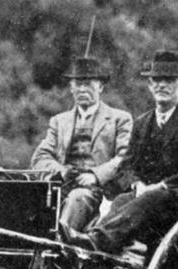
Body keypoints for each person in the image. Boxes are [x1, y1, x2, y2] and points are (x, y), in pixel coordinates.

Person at [61, 50, 178, 253]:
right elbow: (127, 166)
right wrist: (138, 184)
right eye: (157, 80)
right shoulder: (142, 123)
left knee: (151, 198)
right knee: (121, 200)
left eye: (169, 80)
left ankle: (98, 242)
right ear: (150, 85)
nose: (162, 85)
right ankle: (97, 249)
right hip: (148, 196)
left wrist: (162, 185)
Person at [31, 56, 133, 231]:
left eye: (89, 84)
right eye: (78, 84)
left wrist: (95, 175)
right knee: (27, 199)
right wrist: (61, 171)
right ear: (71, 88)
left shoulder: (119, 119)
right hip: (61, 186)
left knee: (77, 199)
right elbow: (40, 157)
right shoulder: (59, 121)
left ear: (100, 86)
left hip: (98, 191)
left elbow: (125, 157)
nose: (83, 89)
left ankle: (59, 247)